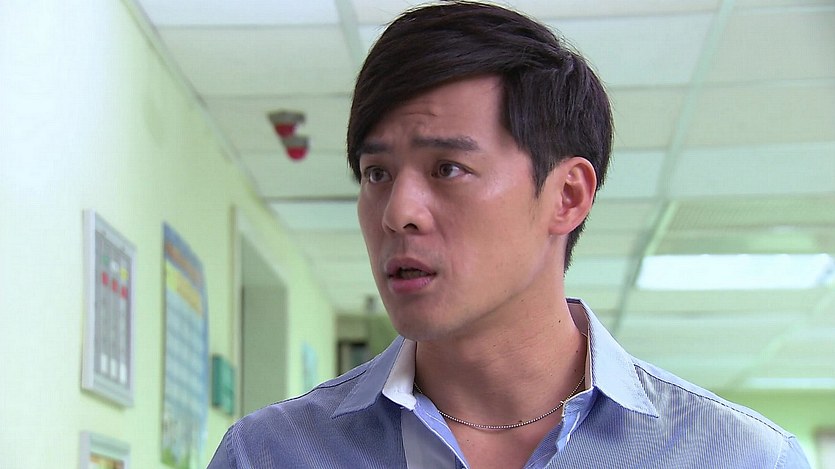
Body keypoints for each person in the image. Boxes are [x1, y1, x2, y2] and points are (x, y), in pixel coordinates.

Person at [209, 2, 810, 467]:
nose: (398, 213)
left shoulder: (738, 457)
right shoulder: (268, 455)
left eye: (448, 168)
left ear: (567, 196)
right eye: (376, 174)